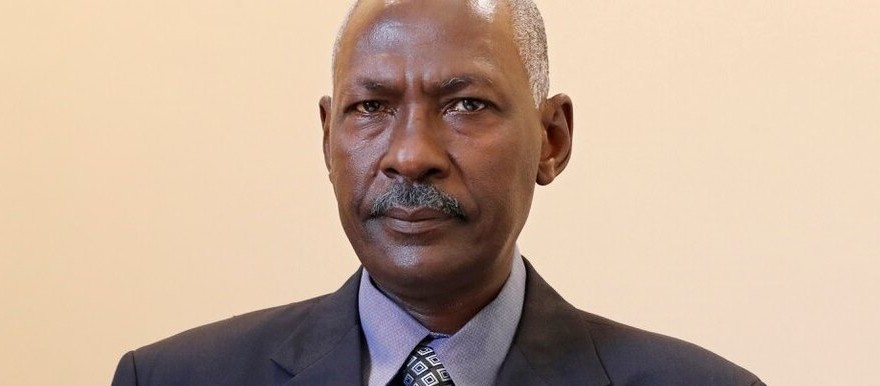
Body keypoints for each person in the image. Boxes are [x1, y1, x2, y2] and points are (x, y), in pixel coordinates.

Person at [112, 0, 765, 385]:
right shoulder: (174, 379)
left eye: (467, 104)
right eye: (371, 106)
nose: (410, 155)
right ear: (326, 138)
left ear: (551, 140)